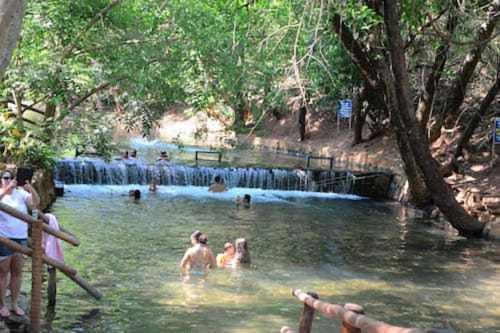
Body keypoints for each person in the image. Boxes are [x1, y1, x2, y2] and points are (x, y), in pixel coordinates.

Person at [0, 169, 40, 317]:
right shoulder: (1, 193)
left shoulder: (21, 194)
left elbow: (35, 204)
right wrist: (6, 189)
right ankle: (2, 304)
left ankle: (14, 304)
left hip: (20, 238)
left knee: (17, 272)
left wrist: (31, 188)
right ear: (1, 180)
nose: (8, 180)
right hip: (3, 238)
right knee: (3, 272)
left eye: (11, 178)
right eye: (5, 178)